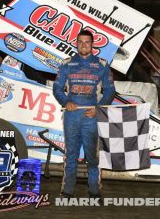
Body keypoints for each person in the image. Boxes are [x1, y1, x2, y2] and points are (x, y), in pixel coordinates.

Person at [53, 30, 116, 198]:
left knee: (92, 157)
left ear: (93, 44)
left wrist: (99, 108)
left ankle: (94, 190)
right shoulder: (67, 64)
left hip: (92, 116)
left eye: (87, 42)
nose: (83, 45)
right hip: (71, 116)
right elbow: (57, 88)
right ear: (76, 43)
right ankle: (67, 191)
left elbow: (110, 91)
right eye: (80, 42)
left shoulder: (102, 65)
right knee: (71, 156)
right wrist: (66, 102)